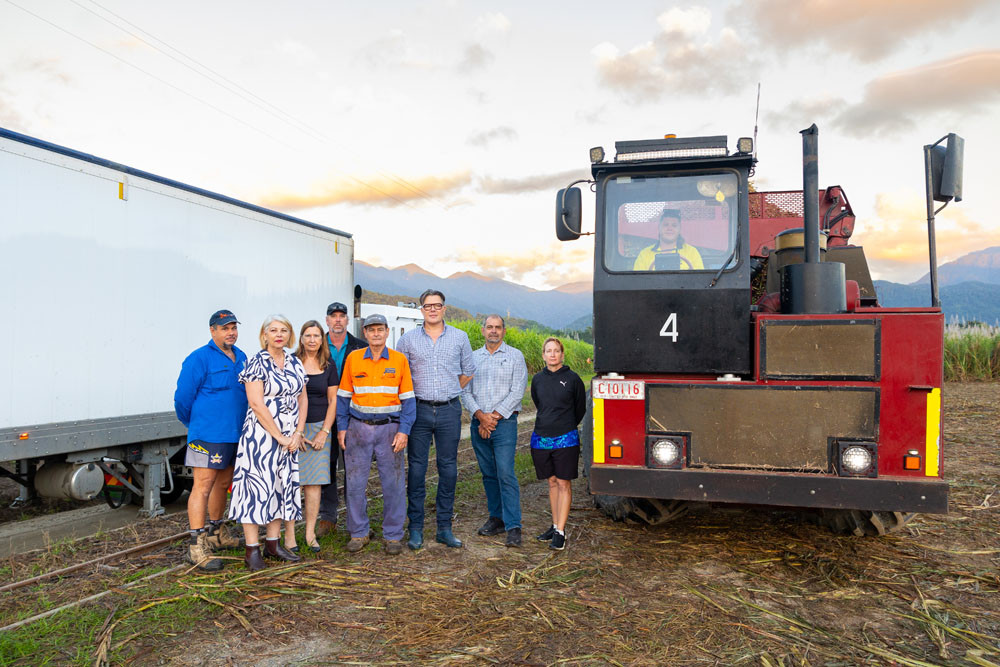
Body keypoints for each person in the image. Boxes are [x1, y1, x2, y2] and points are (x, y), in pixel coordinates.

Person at [396, 289, 475, 550]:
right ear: (421, 310)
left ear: (444, 308)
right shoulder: (408, 341)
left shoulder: (459, 337)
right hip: (418, 410)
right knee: (417, 469)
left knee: (448, 468)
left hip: (449, 410)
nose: (432, 309)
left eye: (437, 305)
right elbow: (400, 376)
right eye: (427, 306)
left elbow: (467, 372)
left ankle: (444, 528)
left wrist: (450, 389)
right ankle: (415, 528)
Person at [230, 315, 308, 571]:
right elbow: (256, 403)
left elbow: (302, 399)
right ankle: (252, 550)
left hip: (289, 439)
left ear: (290, 335)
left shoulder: (295, 362)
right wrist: (279, 436)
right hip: (261, 439)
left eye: (284, 330)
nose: (278, 334)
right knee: (256, 490)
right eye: (273, 330)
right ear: (264, 335)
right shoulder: (256, 362)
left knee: (281, 488)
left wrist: (297, 433)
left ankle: (273, 544)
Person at [173, 309, 248, 571]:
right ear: (212, 330)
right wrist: (195, 425)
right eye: (225, 327)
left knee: (223, 484)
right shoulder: (198, 359)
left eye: (233, 327)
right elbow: (182, 399)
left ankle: (217, 533)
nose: (231, 332)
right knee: (202, 486)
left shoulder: (242, 358)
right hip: (207, 436)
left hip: (234, 434)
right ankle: (196, 545)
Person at [336, 313, 415, 555]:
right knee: (355, 483)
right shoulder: (354, 358)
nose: (376, 334)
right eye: (371, 330)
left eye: (380, 329)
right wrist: (342, 428)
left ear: (387, 332)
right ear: (365, 333)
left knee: (393, 484)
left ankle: (393, 535)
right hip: (358, 429)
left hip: (389, 429)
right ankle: (359, 532)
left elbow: (409, 401)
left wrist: (404, 431)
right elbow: (343, 397)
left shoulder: (399, 360)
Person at [462, 315, 528, 547]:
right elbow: (465, 391)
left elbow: (517, 391)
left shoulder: (515, 356)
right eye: (489, 327)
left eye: (497, 328)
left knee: (505, 473)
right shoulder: (472, 358)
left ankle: (513, 525)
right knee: (488, 473)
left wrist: (493, 418)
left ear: (504, 331)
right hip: (478, 423)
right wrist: (481, 417)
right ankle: (496, 518)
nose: (493, 331)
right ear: (482, 331)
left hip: (505, 424)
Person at [530, 337, 586, 551]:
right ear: (543, 355)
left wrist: (565, 425)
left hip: (566, 439)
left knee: (564, 483)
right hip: (541, 438)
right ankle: (554, 526)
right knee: (551, 481)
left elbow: (579, 408)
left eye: (556, 351)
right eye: (548, 351)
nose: (552, 354)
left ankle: (561, 532)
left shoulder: (573, 379)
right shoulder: (537, 380)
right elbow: (539, 403)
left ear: (562, 354)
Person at [316, 302, 366, 538]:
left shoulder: (360, 347)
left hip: (352, 417)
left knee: (354, 468)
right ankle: (328, 517)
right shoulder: (315, 345)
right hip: (323, 416)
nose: (337, 320)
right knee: (326, 467)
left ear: (348, 320)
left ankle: (354, 517)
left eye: (341, 316)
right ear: (326, 320)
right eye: (333, 316)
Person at [295, 320, 339, 553]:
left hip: (320, 430)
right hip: (294, 431)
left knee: (314, 484)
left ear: (323, 339)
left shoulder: (329, 365)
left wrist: (324, 431)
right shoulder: (291, 362)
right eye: (308, 335)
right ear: (301, 338)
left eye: (317, 335)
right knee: (292, 484)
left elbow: (334, 401)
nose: (312, 340)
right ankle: (290, 535)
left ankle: (310, 533)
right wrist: (296, 432)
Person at [632, 208, 704, 271]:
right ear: (659, 228)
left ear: (679, 230)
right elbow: (639, 282)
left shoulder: (692, 252)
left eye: (674, 225)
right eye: (666, 225)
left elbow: (699, 280)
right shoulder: (644, 254)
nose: (670, 228)